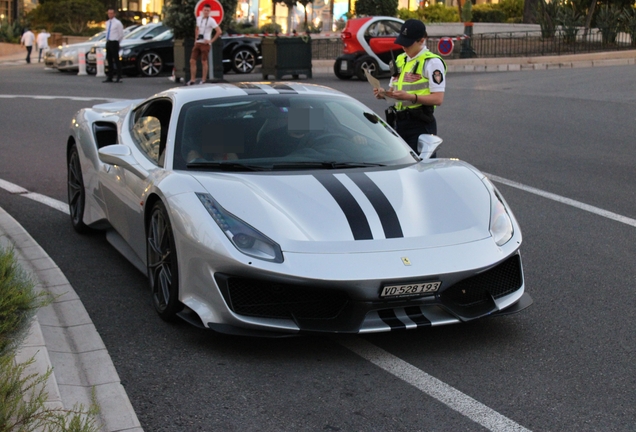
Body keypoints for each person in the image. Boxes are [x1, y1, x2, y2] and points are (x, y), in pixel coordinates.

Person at [373, 19, 446, 154]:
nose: (403, 46)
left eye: (408, 43)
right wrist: (384, 94)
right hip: (397, 122)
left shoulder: (432, 62)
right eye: (402, 41)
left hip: (419, 123)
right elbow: (393, 91)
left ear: (421, 40)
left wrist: (410, 97)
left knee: (420, 168)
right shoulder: (401, 59)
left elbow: (438, 99)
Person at [187, 3, 222, 86]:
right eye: (205, 10)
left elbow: (219, 31)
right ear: (202, 10)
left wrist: (211, 41)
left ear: (209, 11)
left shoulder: (211, 20)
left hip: (205, 43)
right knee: (192, 60)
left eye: (208, 10)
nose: (206, 12)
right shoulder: (199, 18)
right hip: (198, 42)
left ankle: (203, 79)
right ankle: (192, 79)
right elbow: (197, 28)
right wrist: (196, 39)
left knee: (204, 61)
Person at [103, 8, 124, 83]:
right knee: (109, 59)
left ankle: (119, 76)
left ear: (114, 14)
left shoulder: (118, 23)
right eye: (109, 13)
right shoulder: (107, 22)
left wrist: (117, 41)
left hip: (114, 42)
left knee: (116, 59)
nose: (110, 15)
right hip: (108, 41)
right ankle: (110, 76)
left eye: (111, 13)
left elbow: (121, 34)